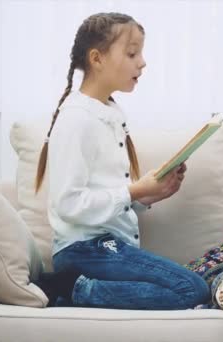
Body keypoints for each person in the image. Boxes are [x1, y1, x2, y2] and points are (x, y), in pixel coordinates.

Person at [34, 12, 210, 310]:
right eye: (131, 53)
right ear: (97, 59)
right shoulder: (78, 119)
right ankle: (70, 289)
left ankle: (80, 287)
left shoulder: (109, 114)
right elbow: (68, 204)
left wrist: (152, 193)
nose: (142, 62)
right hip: (85, 249)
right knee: (191, 289)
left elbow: (105, 194)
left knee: (193, 283)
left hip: (106, 247)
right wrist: (134, 191)